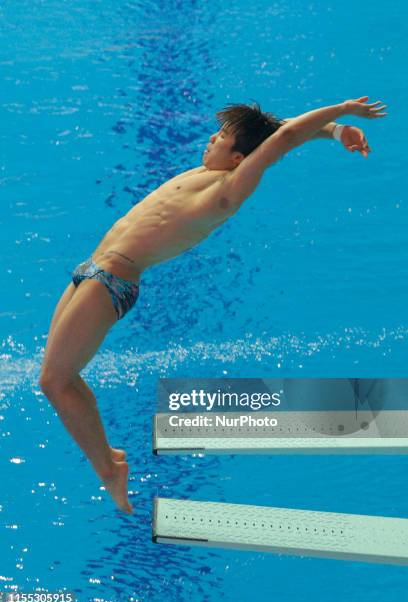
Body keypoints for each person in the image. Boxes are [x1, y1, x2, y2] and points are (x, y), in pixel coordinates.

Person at [39, 95, 387, 514]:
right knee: (61, 377)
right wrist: (334, 132)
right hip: (91, 268)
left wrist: (344, 109)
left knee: (55, 382)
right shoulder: (210, 170)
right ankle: (108, 458)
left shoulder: (229, 189)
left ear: (239, 157)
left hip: (113, 281)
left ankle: (110, 472)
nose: (210, 139)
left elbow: (287, 135)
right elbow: (283, 131)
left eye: (220, 137)